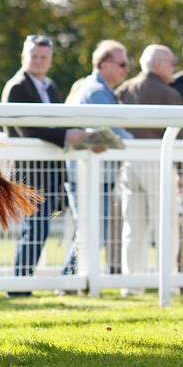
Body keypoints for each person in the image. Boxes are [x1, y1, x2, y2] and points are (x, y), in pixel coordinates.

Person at [1, 34, 89, 297]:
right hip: (29, 172)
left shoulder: (49, 86)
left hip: (50, 170)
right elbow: (26, 128)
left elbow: (57, 120)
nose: (38, 61)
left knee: (40, 229)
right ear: (23, 57)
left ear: (50, 60)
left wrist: (74, 131)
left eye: (43, 57)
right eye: (34, 56)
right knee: (36, 229)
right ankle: (18, 288)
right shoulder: (17, 86)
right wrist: (65, 136)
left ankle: (22, 286)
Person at [116, 44, 183, 296]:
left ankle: (132, 286)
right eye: (172, 62)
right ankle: (170, 283)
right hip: (158, 162)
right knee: (165, 224)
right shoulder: (169, 94)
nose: (175, 68)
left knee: (133, 227)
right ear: (159, 65)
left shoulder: (123, 90)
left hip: (129, 162)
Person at [65, 40, 133, 279]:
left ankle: (71, 280)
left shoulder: (98, 89)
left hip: (93, 174)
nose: (127, 70)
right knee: (93, 231)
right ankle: (69, 279)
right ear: (104, 65)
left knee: (92, 231)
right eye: (122, 64)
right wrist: (140, 144)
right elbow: (113, 131)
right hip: (90, 176)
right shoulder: (96, 91)